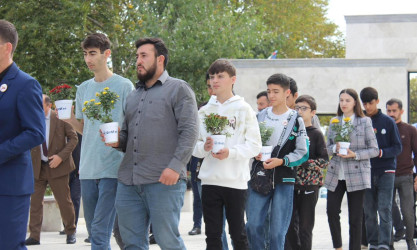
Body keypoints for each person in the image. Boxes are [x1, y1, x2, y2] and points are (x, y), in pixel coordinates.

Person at [104, 37, 198, 249]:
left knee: (168, 241)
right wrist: (117, 140)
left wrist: (175, 166)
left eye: (144, 56)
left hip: (164, 180)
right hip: (129, 182)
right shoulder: (132, 96)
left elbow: (190, 132)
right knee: (131, 243)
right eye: (137, 56)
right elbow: (127, 137)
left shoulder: (179, 89)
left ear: (160, 59)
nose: (138, 61)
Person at [64, 33, 134, 249]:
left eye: (93, 53)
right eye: (85, 54)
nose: (88, 59)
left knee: (100, 233)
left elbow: (133, 127)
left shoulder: (124, 86)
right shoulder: (83, 89)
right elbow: (86, 129)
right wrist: (70, 119)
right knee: (95, 230)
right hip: (87, 168)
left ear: (107, 54)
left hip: (114, 166)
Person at [193, 59, 262, 250]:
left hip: (235, 182)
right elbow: (194, 147)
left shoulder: (244, 108)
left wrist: (230, 153)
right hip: (209, 181)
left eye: (220, 76)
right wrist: (204, 148)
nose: (215, 80)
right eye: (212, 76)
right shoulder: (204, 111)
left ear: (233, 79)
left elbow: (255, 146)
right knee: (212, 236)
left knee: (238, 235)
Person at [246, 73, 309, 250]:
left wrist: (282, 161)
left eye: (276, 91)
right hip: (259, 178)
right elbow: (249, 143)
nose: (271, 96)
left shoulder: (295, 119)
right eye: (269, 91)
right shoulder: (259, 117)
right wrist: (255, 153)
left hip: (284, 180)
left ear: (287, 93)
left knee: (277, 233)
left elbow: (303, 152)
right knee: (252, 226)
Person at [0, 19, 45, 250]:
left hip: (9, 184)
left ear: (7, 47)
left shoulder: (26, 84)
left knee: (8, 245)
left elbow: (36, 132)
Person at [325, 88, 379, 250]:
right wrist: (335, 148)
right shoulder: (334, 121)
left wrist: (354, 154)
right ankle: (338, 247)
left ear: (355, 102)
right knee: (332, 212)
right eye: (341, 100)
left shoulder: (364, 122)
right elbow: (326, 148)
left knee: (355, 218)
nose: (343, 103)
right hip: (336, 174)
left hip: (357, 174)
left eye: (347, 100)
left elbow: (374, 150)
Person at [25, 94, 78, 245]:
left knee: (64, 201)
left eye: (39, 104)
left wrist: (60, 157)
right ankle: (34, 236)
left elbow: (73, 139)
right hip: (37, 167)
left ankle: (70, 232)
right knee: (35, 202)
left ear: (48, 105)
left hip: (57, 166)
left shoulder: (61, 117)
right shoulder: (32, 118)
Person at [360, 87, 402, 250]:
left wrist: (381, 152)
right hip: (366, 171)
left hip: (386, 171)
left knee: (384, 208)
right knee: (369, 211)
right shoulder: (360, 120)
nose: (368, 107)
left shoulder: (388, 122)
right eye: (364, 103)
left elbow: (398, 148)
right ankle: (374, 243)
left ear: (377, 101)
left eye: (371, 103)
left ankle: (385, 243)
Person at [286, 95, 329, 250]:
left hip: (310, 186)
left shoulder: (316, 134)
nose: (300, 111)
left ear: (313, 112)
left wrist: (303, 162)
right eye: (297, 108)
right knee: (289, 227)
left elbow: (324, 160)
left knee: (305, 227)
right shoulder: (290, 132)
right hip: (290, 184)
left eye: (304, 108)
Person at [386, 98, 417, 250]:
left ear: (401, 111)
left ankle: (410, 241)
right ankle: (390, 242)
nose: (391, 114)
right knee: (388, 210)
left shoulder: (411, 130)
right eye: (389, 111)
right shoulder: (383, 129)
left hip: (406, 176)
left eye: (394, 111)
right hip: (387, 175)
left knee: (408, 211)